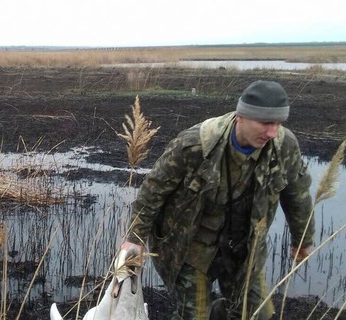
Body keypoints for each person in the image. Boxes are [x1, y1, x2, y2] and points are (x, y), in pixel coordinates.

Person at [117, 80, 314, 319]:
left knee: (256, 313)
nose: (272, 132)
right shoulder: (194, 145)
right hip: (191, 248)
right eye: (265, 123)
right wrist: (134, 238)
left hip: (244, 249)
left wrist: (302, 238)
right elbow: (153, 191)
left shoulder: (284, 146)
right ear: (241, 117)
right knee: (194, 315)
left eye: (278, 123)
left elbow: (297, 193)